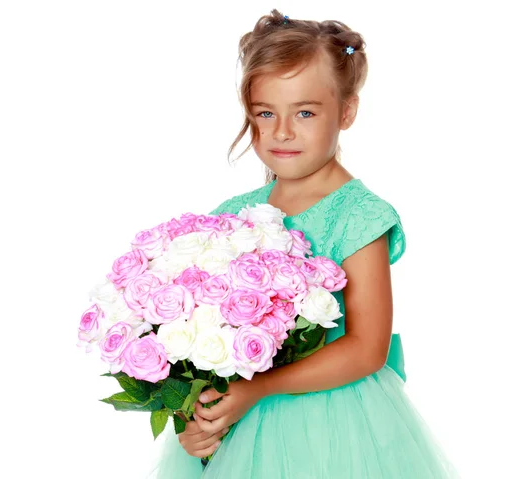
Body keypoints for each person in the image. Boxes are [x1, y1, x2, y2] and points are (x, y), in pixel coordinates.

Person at [150, 9, 460, 478]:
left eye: (306, 112)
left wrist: (259, 389)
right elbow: (203, 338)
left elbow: (366, 347)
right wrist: (197, 424)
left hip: (333, 423)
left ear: (348, 111)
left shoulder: (359, 215)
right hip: (241, 420)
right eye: (265, 113)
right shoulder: (233, 214)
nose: (283, 131)